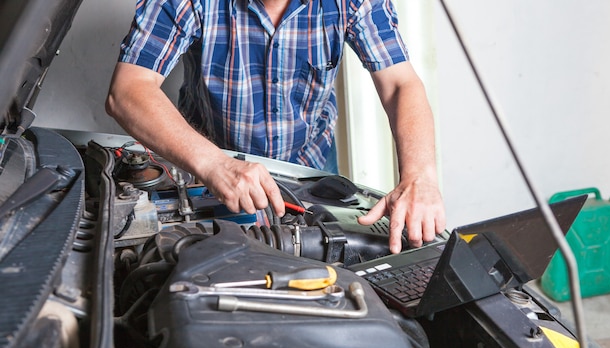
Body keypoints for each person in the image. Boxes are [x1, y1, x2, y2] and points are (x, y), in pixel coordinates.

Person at [106, 0, 445, 253]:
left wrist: (420, 175)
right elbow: (128, 90)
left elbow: (401, 84)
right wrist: (214, 164)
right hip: (208, 162)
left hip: (309, 164)